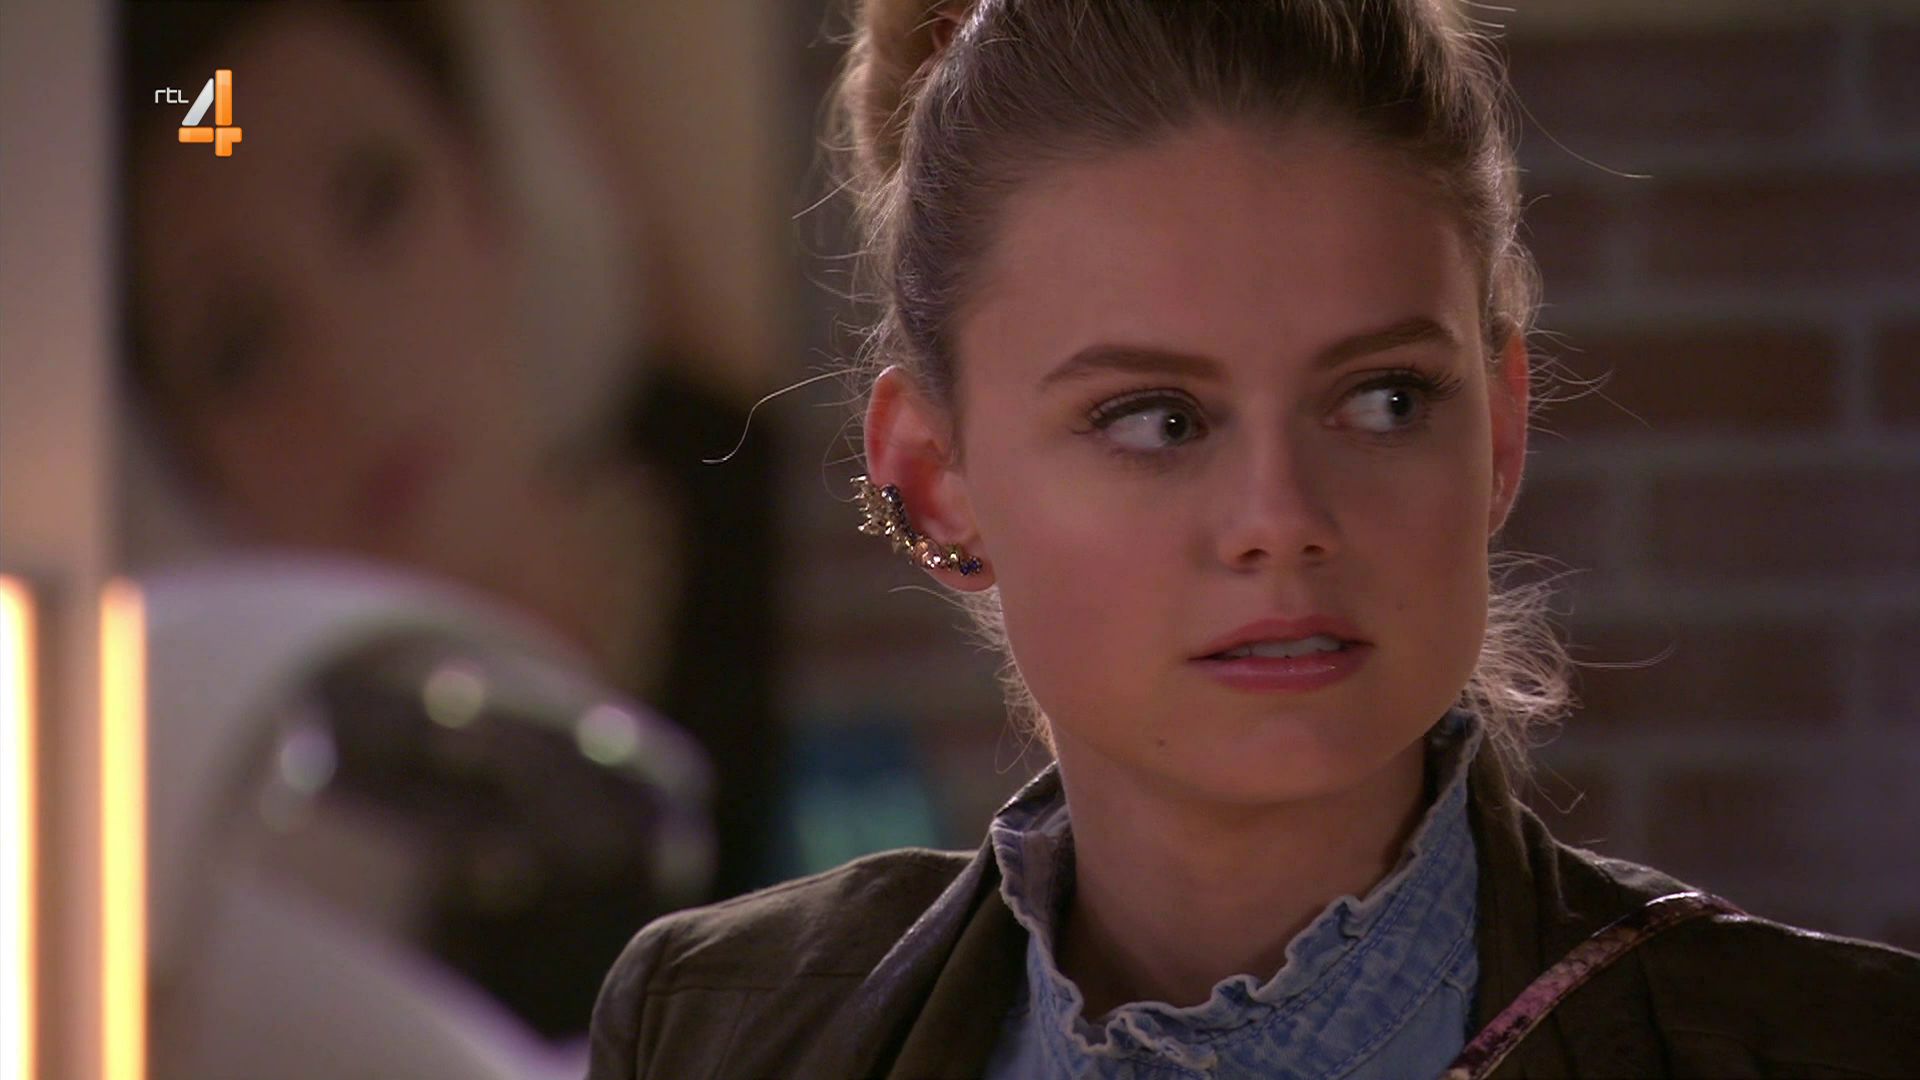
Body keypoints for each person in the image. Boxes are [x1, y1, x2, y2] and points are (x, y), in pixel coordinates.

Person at [587, 1, 1920, 1078]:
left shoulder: (1822, 1050)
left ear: (1501, 432)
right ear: (935, 481)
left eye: (1384, 401)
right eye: (1155, 419)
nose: (1282, 519)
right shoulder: (719, 1028)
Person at [120, 0, 786, 1041]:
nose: (350, 367)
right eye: (239, 347)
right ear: (200, 467)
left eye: (374, 203)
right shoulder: (372, 937)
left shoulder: (784, 506)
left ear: (484, 195)